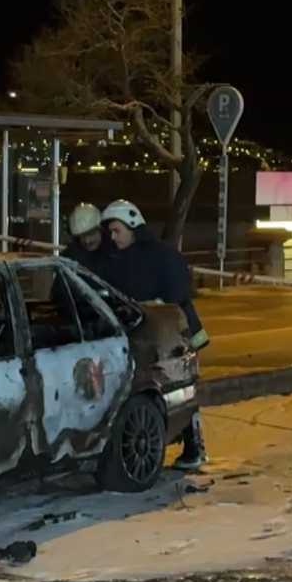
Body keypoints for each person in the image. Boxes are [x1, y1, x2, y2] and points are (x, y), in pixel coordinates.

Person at [98, 199, 210, 470]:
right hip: (155, 335)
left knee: (181, 389)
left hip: (176, 334)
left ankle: (194, 446)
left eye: (117, 231)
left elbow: (177, 293)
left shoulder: (161, 255)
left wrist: (157, 307)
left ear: (133, 226)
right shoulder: (122, 258)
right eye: (110, 233)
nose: (113, 238)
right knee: (169, 388)